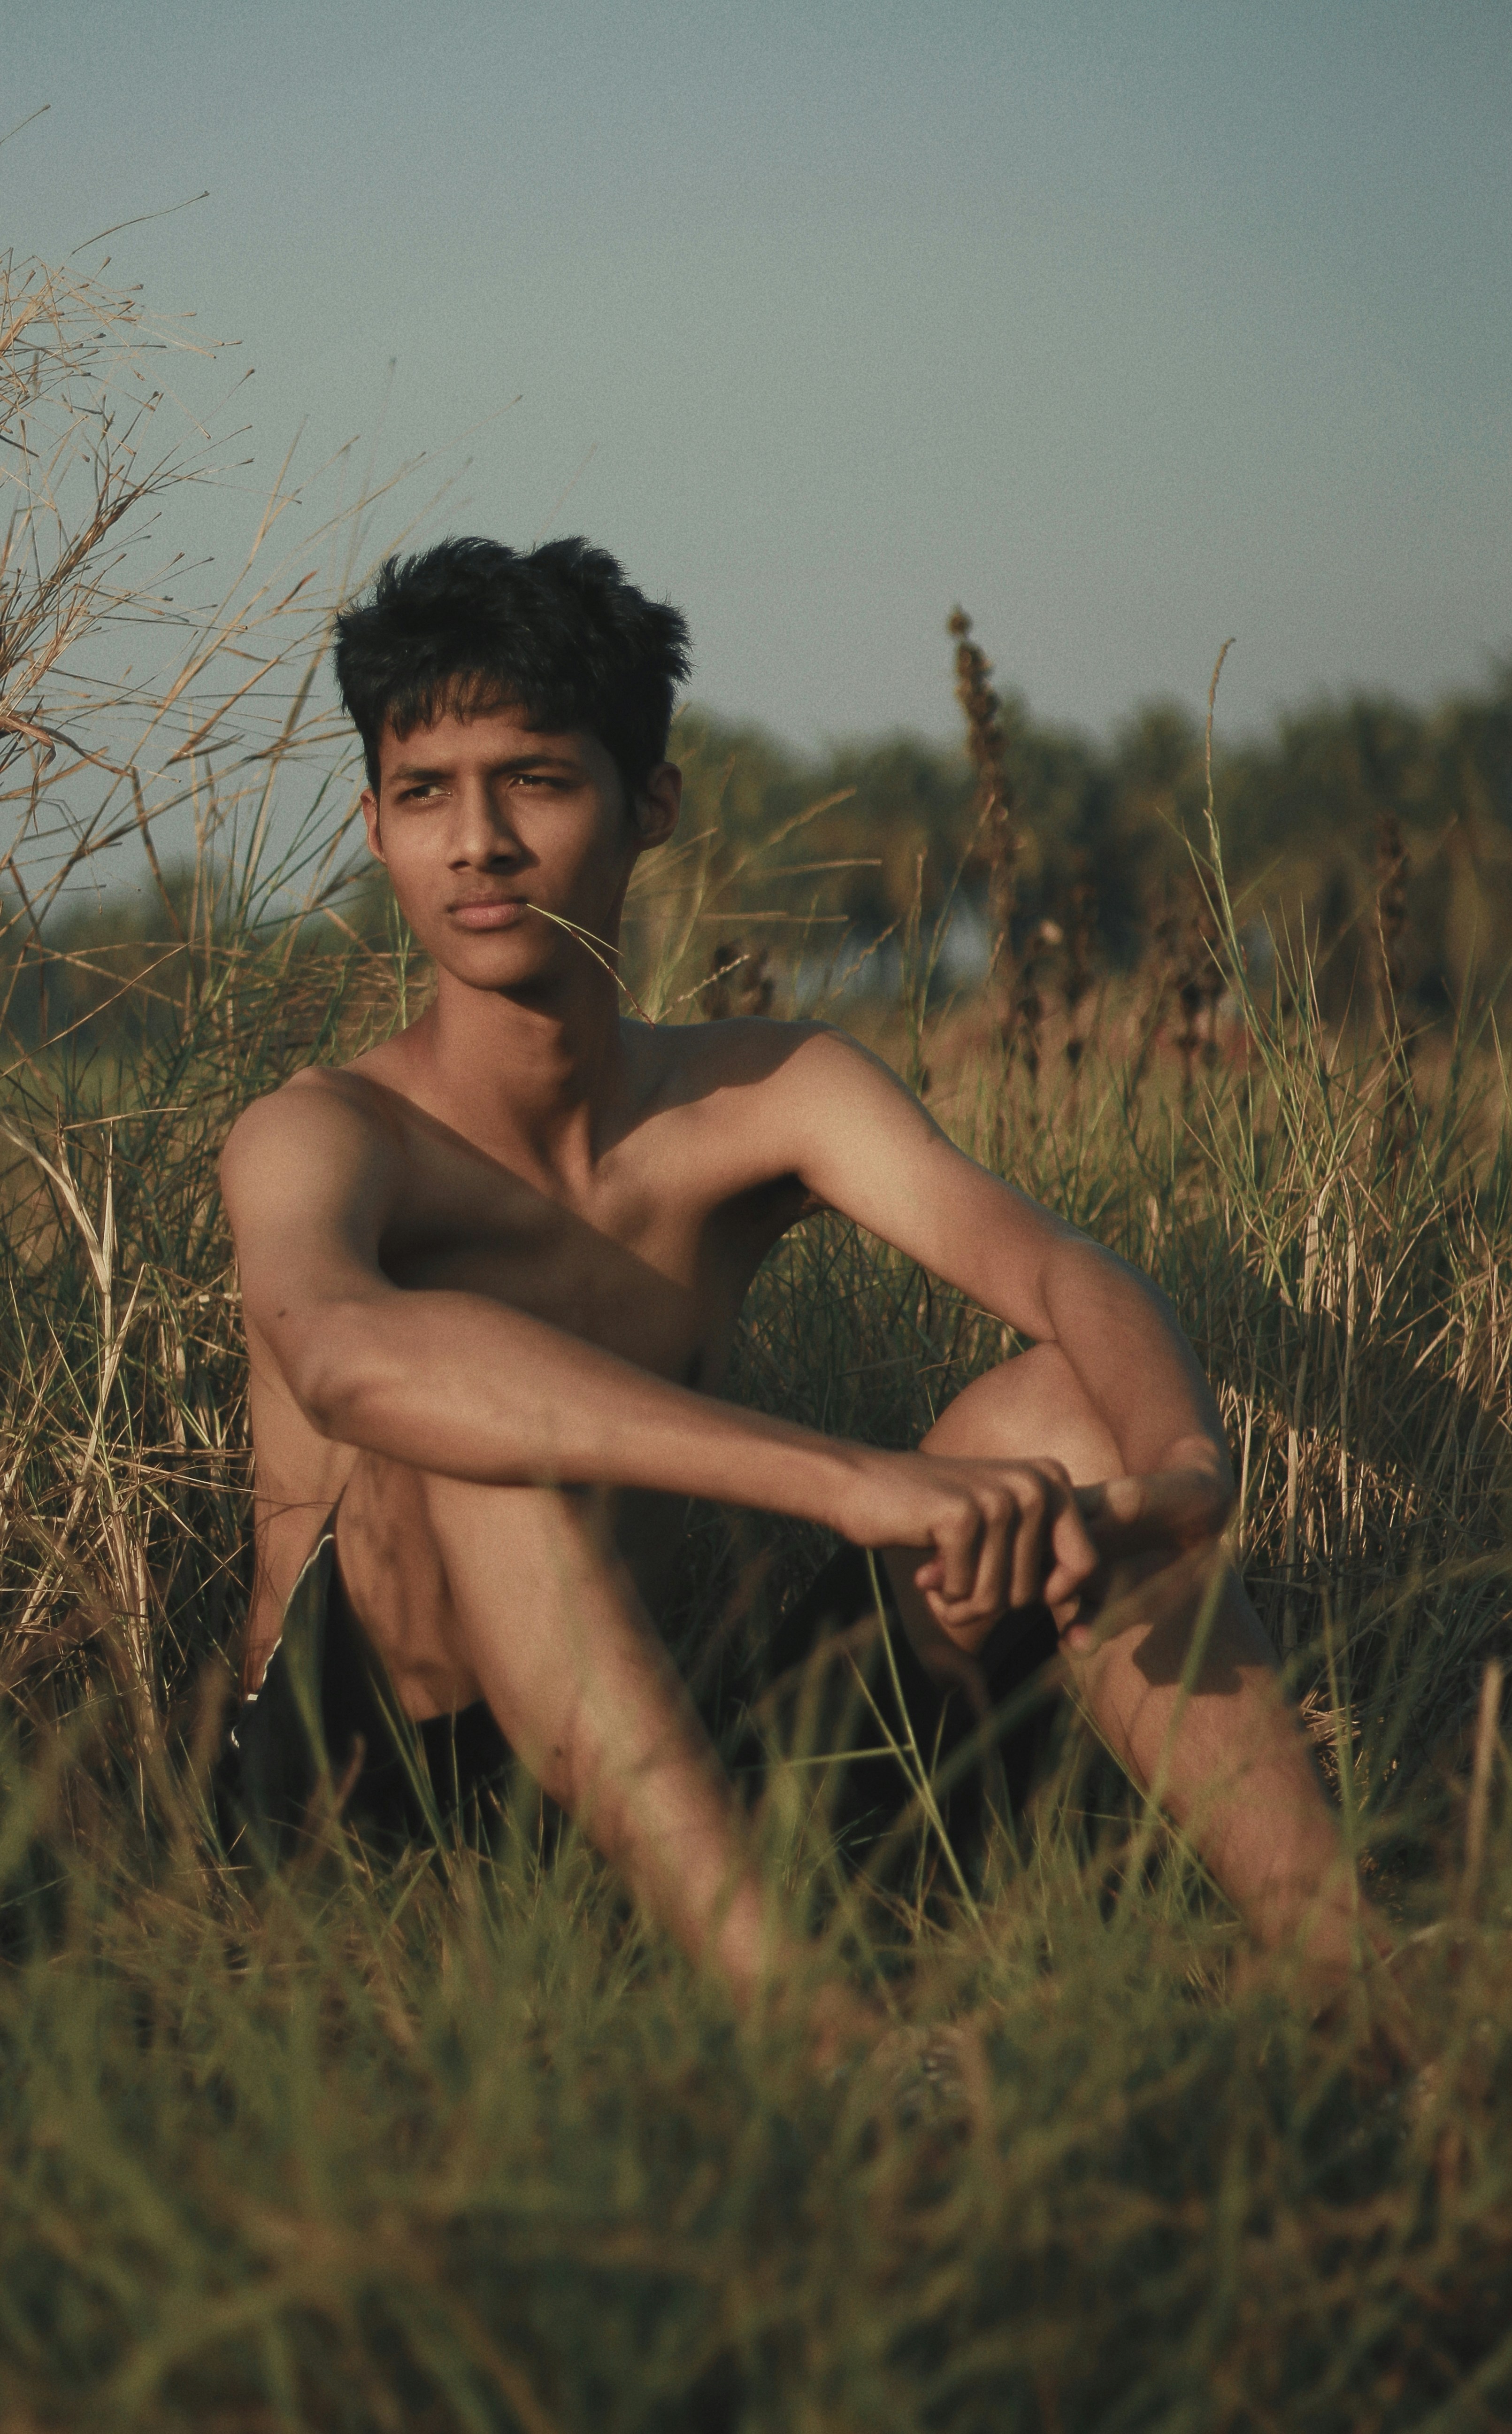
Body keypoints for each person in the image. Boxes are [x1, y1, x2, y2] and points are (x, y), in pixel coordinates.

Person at [218, 535, 1365, 2048]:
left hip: (656, 1745)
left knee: (1053, 1410)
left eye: (537, 781)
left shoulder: (765, 1093)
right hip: (365, 1802)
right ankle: (828, 2055)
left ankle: (1375, 1988)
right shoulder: (327, 1133)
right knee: (487, 1433)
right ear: (373, 826)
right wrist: (854, 1487)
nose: (477, 842)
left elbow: (1055, 1265)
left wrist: (1187, 1478)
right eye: (425, 793)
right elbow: (353, 1363)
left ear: (652, 804)